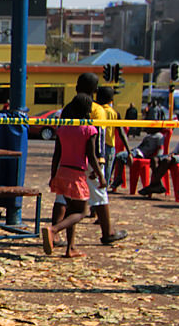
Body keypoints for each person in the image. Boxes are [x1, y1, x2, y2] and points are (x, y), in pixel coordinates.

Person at [50, 73, 127, 246]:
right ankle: (107, 232)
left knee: (62, 197)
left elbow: (59, 140)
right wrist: (100, 162)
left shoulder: (67, 108)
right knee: (99, 196)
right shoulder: (97, 109)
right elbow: (98, 136)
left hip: (66, 161)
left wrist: (54, 170)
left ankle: (55, 235)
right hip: (87, 161)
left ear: (77, 87)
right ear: (95, 90)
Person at [43, 93, 106, 258]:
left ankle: (70, 248)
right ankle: (53, 230)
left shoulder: (63, 129)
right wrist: (101, 175)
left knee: (71, 210)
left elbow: (56, 154)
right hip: (76, 174)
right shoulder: (89, 130)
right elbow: (91, 155)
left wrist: (53, 175)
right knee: (82, 212)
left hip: (63, 171)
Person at [137, 128, 179, 197]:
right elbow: (177, 148)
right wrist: (173, 153)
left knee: (166, 160)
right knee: (155, 159)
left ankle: (154, 185)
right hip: (177, 155)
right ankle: (157, 183)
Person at [96, 86, 130, 192]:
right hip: (109, 146)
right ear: (111, 100)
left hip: (96, 146)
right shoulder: (114, 113)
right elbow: (121, 133)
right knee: (106, 174)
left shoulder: (95, 111)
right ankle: (103, 194)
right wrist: (129, 151)